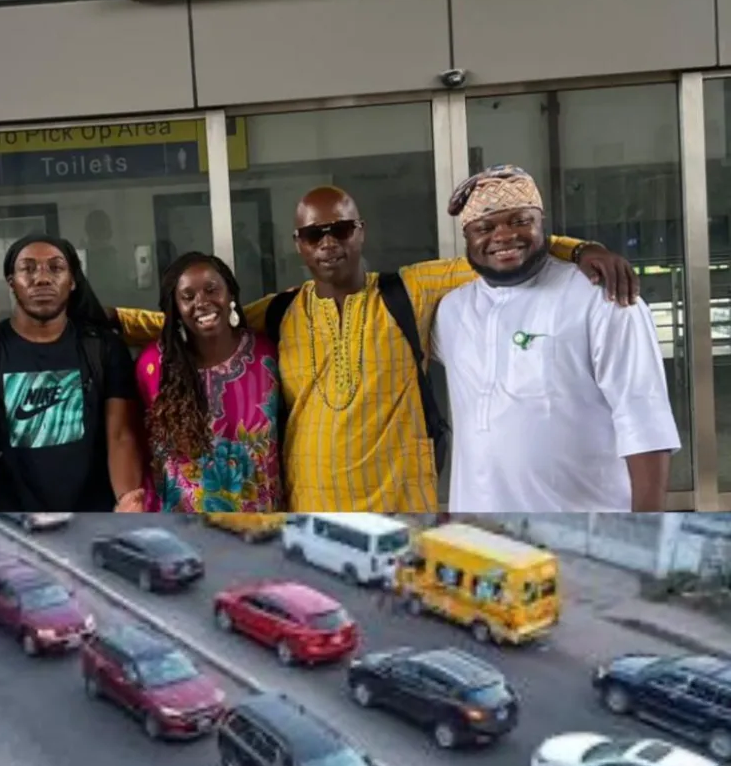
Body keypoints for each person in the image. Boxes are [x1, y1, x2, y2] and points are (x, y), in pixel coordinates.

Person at [113, 185, 636, 511]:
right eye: (314, 234)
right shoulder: (280, 312)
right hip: (310, 513)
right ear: (299, 245)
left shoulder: (409, 291)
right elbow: (197, 318)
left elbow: (492, 250)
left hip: (401, 508)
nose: (328, 243)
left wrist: (579, 250)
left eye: (340, 229)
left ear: (360, 232)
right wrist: (100, 316)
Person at [435, 164, 680, 510]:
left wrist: (648, 525)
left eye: (520, 221)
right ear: (467, 239)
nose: (503, 236)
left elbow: (644, 420)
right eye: (484, 227)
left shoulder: (602, 298)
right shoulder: (451, 311)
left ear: (542, 225)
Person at [0, 234, 145, 513]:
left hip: (94, 520)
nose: (42, 278)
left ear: (72, 281)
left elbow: (121, 436)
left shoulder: (104, 349)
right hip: (13, 524)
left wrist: (127, 500)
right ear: (11, 282)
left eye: (56, 268)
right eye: (28, 268)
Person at [137, 251, 282, 512]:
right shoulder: (154, 366)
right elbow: (134, 441)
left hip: (260, 524)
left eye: (211, 290)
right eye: (188, 297)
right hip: (180, 527)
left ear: (231, 295)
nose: (202, 302)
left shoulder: (266, 356)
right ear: (176, 309)